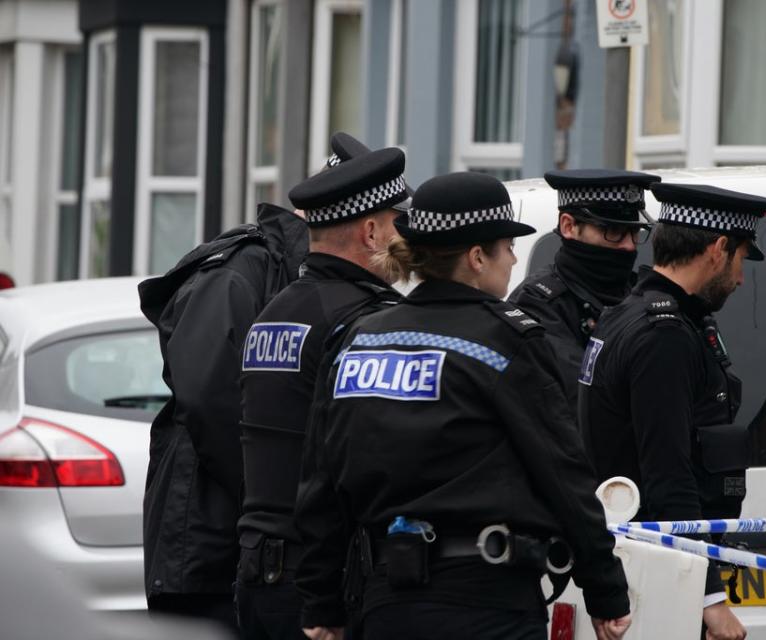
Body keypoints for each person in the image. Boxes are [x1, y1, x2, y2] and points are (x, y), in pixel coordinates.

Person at [296, 172, 632, 640]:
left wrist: (321, 602)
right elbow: (563, 473)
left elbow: (321, 482)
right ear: (477, 257)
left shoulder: (359, 340)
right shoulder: (505, 341)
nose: (515, 258)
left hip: (383, 604)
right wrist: (605, 590)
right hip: (486, 604)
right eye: (506, 247)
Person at [578, 182, 766, 640]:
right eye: (742, 258)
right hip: (656, 575)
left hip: (641, 563)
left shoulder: (633, 313)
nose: (742, 277)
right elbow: (668, 474)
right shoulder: (663, 336)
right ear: (718, 248)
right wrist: (709, 599)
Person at [236, 142, 409, 640]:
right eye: (398, 222)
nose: (406, 237)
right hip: (324, 585)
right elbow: (361, 463)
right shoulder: (365, 322)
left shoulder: (275, 311)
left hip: (260, 574)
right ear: (371, 231)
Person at [138, 202, 309, 634]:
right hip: (203, 540)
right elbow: (209, 398)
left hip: (229, 539)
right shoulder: (241, 268)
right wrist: (266, 496)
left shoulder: (286, 269)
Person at [508, 169, 659, 412]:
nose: (629, 246)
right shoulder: (537, 303)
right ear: (569, 226)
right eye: (614, 232)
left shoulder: (642, 294)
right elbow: (585, 402)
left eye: (634, 233)